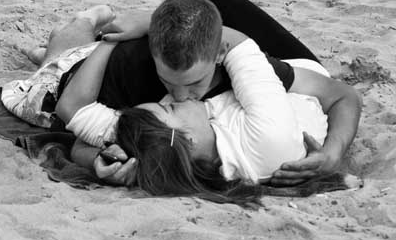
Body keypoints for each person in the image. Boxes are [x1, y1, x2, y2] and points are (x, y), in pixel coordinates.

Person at [2, 0, 361, 187]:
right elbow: (81, 133)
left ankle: (76, 33)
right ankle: (80, 28)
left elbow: (342, 95)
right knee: (61, 63)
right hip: (102, 61)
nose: (179, 96)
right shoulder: (142, 82)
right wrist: (97, 161)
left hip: (270, 66)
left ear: (219, 57)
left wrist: (333, 153)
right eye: (169, 83)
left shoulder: (249, 75)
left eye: (193, 84)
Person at [114, 30, 357, 203]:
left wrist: (112, 162)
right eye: (171, 108)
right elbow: (236, 43)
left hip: (262, 93)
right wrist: (151, 24)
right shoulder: (266, 135)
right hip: (305, 77)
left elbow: (91, 119)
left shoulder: (205, 162)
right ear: (189, 140)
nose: (177, 99)